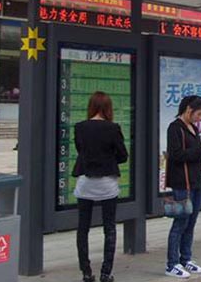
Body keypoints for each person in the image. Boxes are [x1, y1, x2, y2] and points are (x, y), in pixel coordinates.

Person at [72, 92, 129, 282]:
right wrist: (108, 158)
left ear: (91, 106)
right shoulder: (113, 128)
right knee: (109, 228)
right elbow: (123, 155)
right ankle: (106, 272)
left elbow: (80, 150)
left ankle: (86, 272)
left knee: (83, 228)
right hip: (107, 183)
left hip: (85, 182)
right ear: (108, 108)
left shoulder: (80, 127)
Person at [165, 95, 201, 278]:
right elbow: (177, 155)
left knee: (191, 222)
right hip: (182, 182)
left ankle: (186, 258)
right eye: (199, 114)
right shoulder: (175, 128)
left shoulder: (193, 128)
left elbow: (194, 155)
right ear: (188, 109)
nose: (200, 118)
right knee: (181, 222)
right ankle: (172, 263)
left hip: (196, 181)